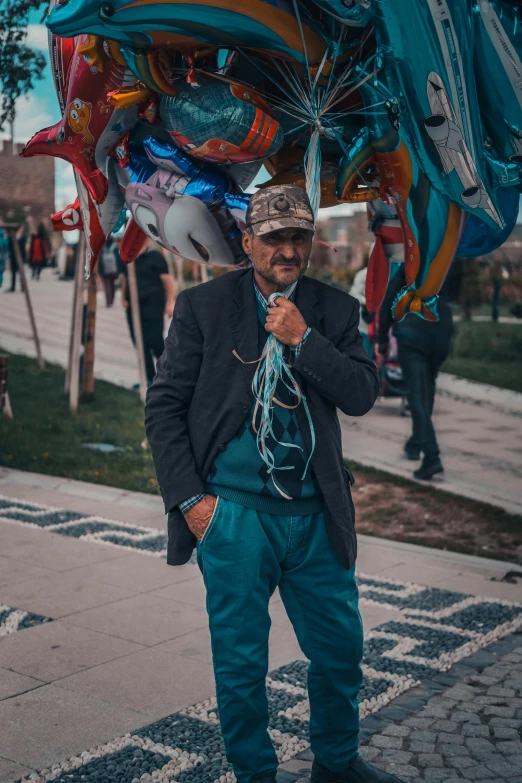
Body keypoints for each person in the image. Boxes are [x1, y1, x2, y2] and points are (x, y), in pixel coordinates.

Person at [146, 186, 402, 783]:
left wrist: (303, 340)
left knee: (340, 652)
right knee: (240, 665)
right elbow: (164, 408)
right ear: (248, 241)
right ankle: (255, 774)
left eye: (298, 237)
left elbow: (362, 394)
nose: (287, 249)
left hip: (316, 517)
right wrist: (191, 503)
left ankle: (337, 765)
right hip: (234, 516)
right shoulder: (203, 307)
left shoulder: (332, 310)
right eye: (274, 237)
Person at [377, 266, 454, 481]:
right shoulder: (448, 259)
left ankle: (431, 456)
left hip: (413, 332)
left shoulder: (412, 262)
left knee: (417, 394)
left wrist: (382, 338)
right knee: (427, 388)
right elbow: (455, 291)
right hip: (442, 330)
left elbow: (390, 298)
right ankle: (416, 442)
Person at [121, 239, 176, 385]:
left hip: (153, 304)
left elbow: (168, 280)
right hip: (133, 306)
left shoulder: (155, 258)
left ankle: (170, 376)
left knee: (155, 340)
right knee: (139, 342)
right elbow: (126, 278)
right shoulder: (128, 257)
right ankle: (149, 379)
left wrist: (171, 302)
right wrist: (123, 297)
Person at [98, 237, 120, 307]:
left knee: (107, 286)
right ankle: (112, 300)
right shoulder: (115, 248)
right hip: (114, 271)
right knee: (113, 285)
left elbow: (99, 261)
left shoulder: (102, 249)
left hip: (105, 271)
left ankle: (108, 301)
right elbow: (119, 260)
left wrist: (100, 271)